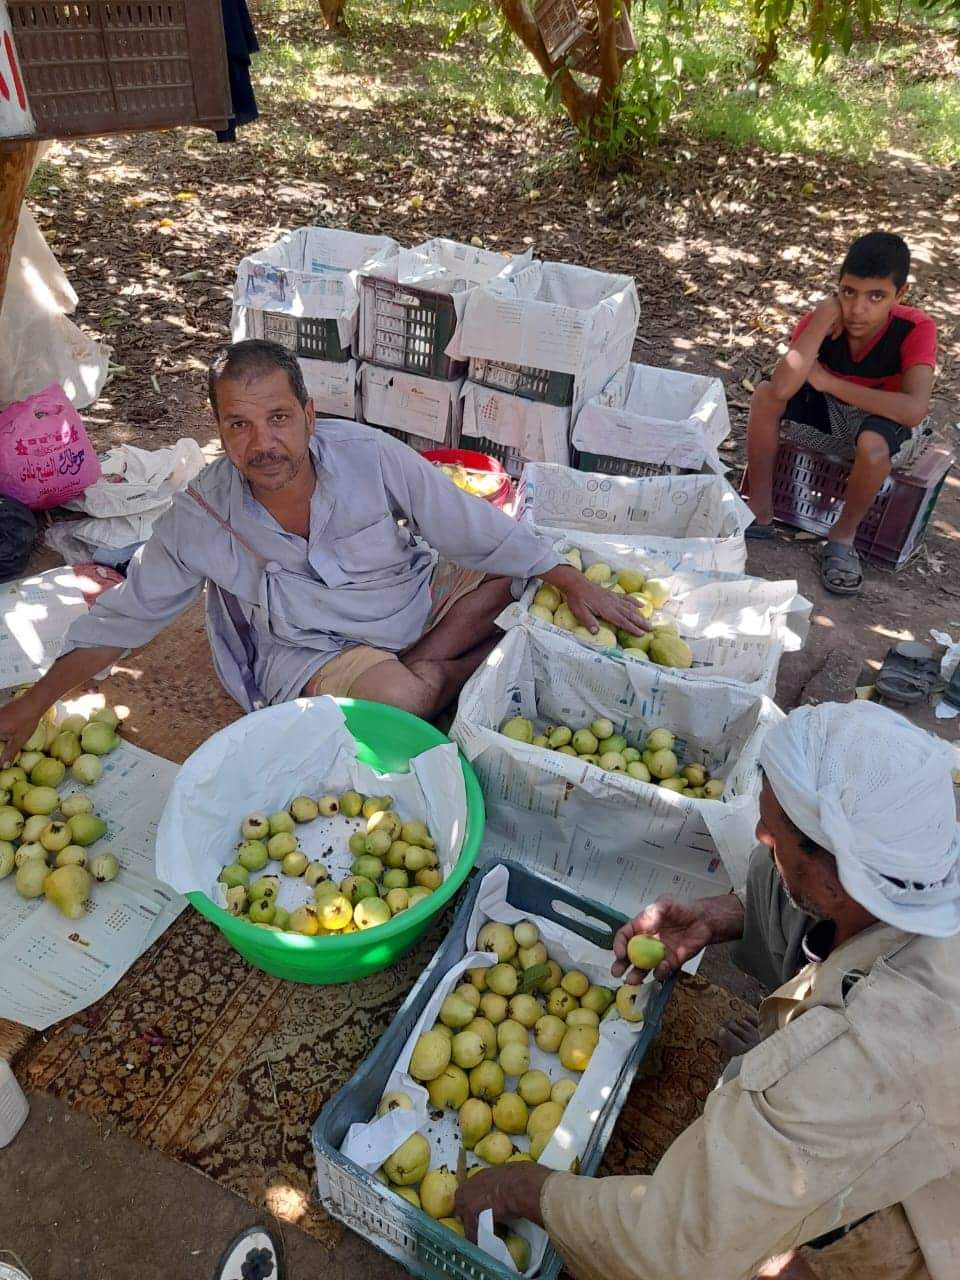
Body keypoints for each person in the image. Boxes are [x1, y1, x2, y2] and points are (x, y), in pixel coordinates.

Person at [456, 700, 960, 1280]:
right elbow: (819, 904)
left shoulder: (857, 1060)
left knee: (770, 1261)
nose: (760, 835)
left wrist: (523, 1189)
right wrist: (716, 917)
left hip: (928, 1211)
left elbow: (672, 1251)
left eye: (775, 836)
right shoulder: (916, 864)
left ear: (837, 877)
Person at [0, 340, 645, 763]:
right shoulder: (200, 516)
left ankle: (429, 663)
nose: (263, 444)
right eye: (239, 425)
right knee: (400, 701)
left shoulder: (368, 454)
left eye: (278, 418)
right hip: (312, 647)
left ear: (309, 416)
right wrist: (33, 703)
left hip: (411, 600)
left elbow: (465, 524)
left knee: (525, 577)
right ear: (219, 430)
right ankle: (450, 675)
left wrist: (564, 575)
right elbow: (128, 616)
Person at [744, 231, 936, 596]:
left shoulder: (915, 328)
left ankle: (842, 539)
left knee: (873, 445)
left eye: (876, 296)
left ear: (900, 295)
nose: (858, 309)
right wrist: (821, 320)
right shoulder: (824, 319)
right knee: (765, 396)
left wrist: (828, 383)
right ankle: (760, 511)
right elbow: (781, 389)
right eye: (848, 292)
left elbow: (913, 410)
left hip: (885, 425)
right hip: (831, 420)